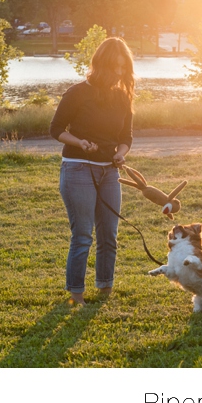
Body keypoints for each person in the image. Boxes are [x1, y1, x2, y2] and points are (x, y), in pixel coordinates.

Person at [51, 37, 135, 305]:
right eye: (115, 67)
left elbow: (126, 137)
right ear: (100, 65)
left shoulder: (122, 97)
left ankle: (105, 288)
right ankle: (77, 294)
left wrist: (121, 154)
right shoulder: (76, 93)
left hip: (109, 172)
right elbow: (56, 130)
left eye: (124, 68)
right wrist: (80, 143)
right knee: (83, 235)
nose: (120, 74)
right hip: (78, 170)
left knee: (109, 235)